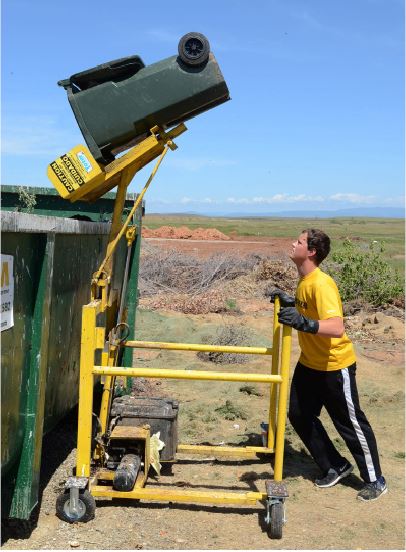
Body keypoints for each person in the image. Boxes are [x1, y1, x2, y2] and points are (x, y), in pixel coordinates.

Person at [270, 228, 387, 502]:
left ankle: (375, 479)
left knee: (350, 424)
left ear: (311, 251)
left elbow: (335, 327)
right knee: (299, 415)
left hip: (335, 365)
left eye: (298, 241)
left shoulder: (322, 284)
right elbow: (310, 311)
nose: (292, 243)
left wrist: (303, 322)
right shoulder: (305, 279)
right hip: (310, 363)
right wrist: (292, 304)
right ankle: (335, 465)